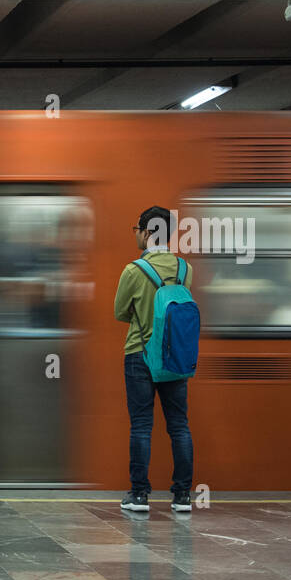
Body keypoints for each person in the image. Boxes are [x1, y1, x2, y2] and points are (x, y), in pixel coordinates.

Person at [114, 206, 194, 513]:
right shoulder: (185, 269)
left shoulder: (133, 270)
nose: (136, 234)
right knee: (179, 425)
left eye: (137, 229)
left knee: (141, 426)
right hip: (175, 356)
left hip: (140, 354)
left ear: (148, 232)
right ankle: (183, 496)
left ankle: (139, 495)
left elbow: (120, 312)